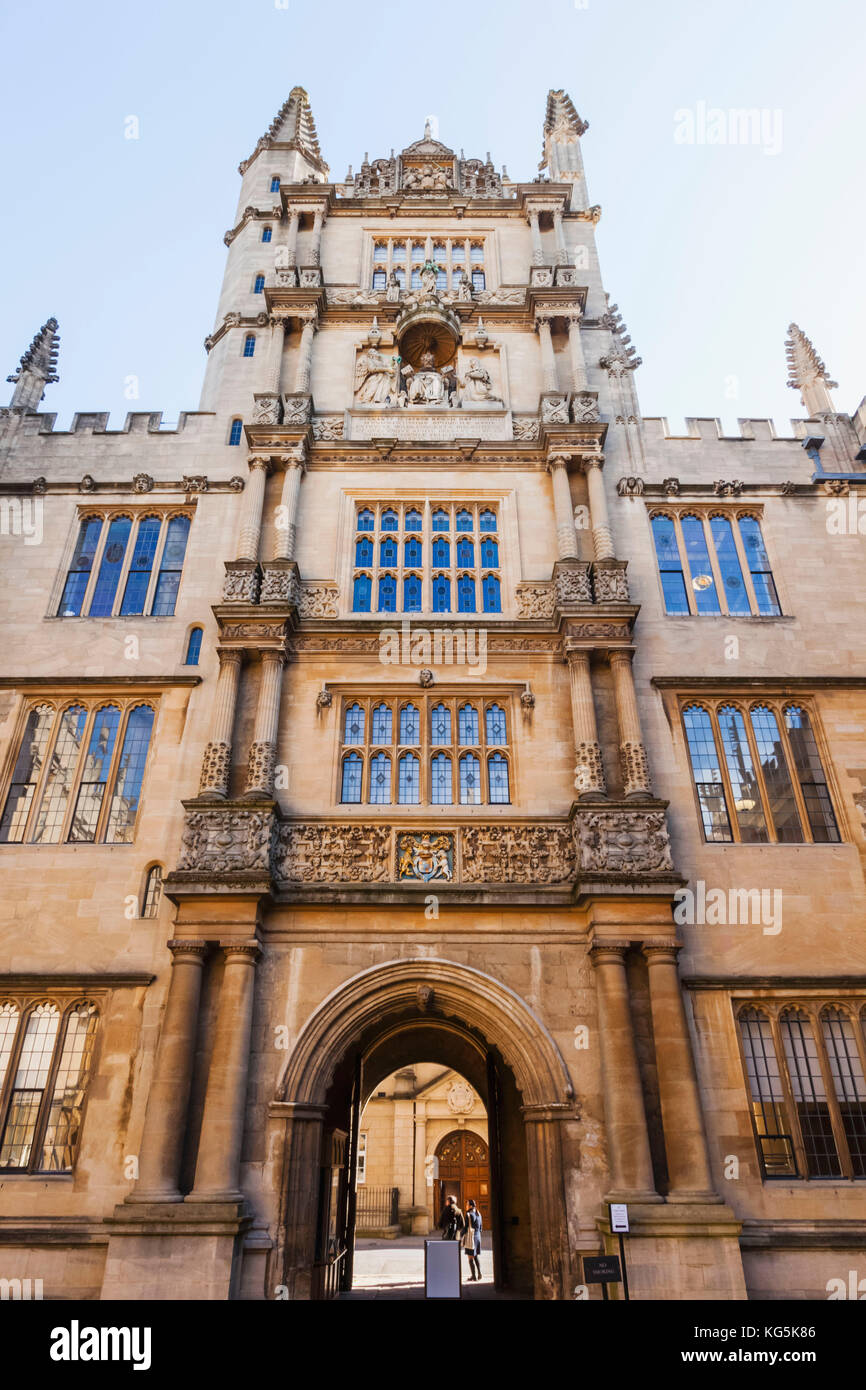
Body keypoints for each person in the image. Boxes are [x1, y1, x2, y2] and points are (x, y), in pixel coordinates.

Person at [463, 1198, 483, 1281]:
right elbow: (481, 1228)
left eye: (467, 1204)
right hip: (478, 1237)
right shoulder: (479, 1213)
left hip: (471, 1238)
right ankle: (479, 1273)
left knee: (470, 1258)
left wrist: (460, 1235)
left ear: (470, 1206)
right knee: (475, 1256)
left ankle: (473, 1276)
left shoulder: (469, 1214)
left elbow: (466, 1228)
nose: (466, 1206)